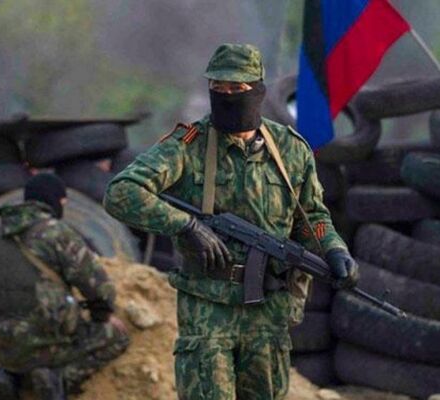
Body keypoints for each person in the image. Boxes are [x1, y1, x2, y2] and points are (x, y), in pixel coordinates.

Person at [103, 43, 358, 400]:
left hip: (268, 309)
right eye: (218, 87)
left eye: (237, 88)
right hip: (208, 307)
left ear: (258, 90)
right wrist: (185, 225)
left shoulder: (290, 149)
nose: (226, 95)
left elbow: (312, 216)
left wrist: (333, 248)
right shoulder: (187, 145)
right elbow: (121, 192)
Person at [0, 173, 129, 400]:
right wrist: (103, 315)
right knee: (118, 337)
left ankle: (11, 377)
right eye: (63, 202)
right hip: (50, 343)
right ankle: (59, 379)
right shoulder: (55, 232)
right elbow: (97, 286)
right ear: (55, 200)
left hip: (4, 345)